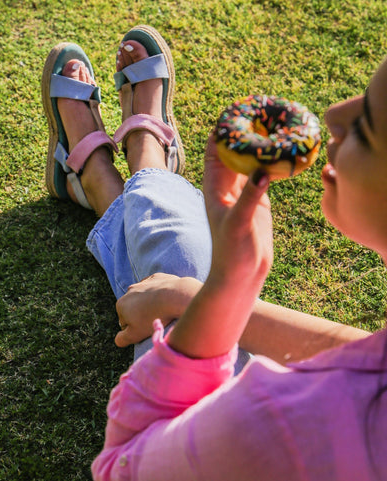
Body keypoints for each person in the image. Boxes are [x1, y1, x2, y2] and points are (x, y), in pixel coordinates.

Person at [42, 26, 385, 479]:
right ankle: (118, 171)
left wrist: (218, 295)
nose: (335, 114)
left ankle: (108, 173)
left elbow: (124, 465)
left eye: (369, 124)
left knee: (181, 264)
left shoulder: (287, 425)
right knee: (182, 281)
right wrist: (202, 295)